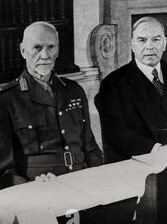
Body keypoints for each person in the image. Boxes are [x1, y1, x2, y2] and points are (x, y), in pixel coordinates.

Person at [0, 22, 103, 189]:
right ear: (22, 51)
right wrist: (31, 187)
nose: (45, 55)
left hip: (83, 182)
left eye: (51, 47)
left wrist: (101, 181)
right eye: (37, 48)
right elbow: (4, 172)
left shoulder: (73, 91)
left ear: (58, 50)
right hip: (39, 189)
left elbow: (90, 149)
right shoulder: (6, 100)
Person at [95, 17, 167, 162]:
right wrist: (159, 151)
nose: (150, 46)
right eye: (142, 40)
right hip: (140, 163)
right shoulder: (113, 83)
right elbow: (117, 134)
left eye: (156, 40)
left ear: (165, 44)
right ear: (132, 45)